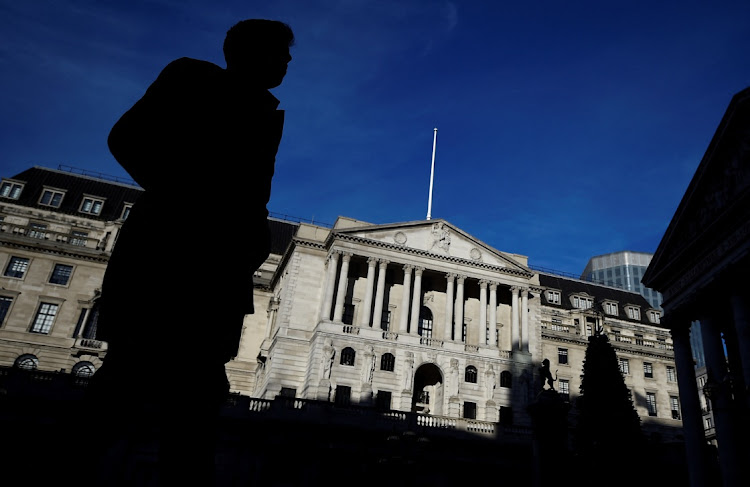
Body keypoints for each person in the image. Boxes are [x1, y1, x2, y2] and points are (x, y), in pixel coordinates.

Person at [86, 19, 294, 486]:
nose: (288, 61)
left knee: (197, 400)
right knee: (130, 383)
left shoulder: (267, 110)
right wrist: (186, 199)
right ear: (250, 51)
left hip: (220, 273)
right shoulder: (191, 77)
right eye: (281, 51)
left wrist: (251, 237)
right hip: (167, 257)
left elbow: (250, 195)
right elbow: (125, 137)